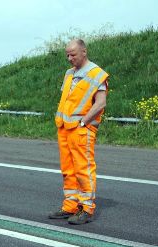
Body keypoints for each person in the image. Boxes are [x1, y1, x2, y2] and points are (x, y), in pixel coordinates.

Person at [49, 39, 109, 225]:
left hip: (82, 129)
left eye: (73, 54)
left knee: (83, 168)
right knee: (68, 169)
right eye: (67, 54)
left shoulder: (97, 74)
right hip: (65, 128)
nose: (69, 58)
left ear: (84, 52)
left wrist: (84, 123)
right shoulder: (69, 74)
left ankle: (87, 208)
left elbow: (100, 103)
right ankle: (70, 205)